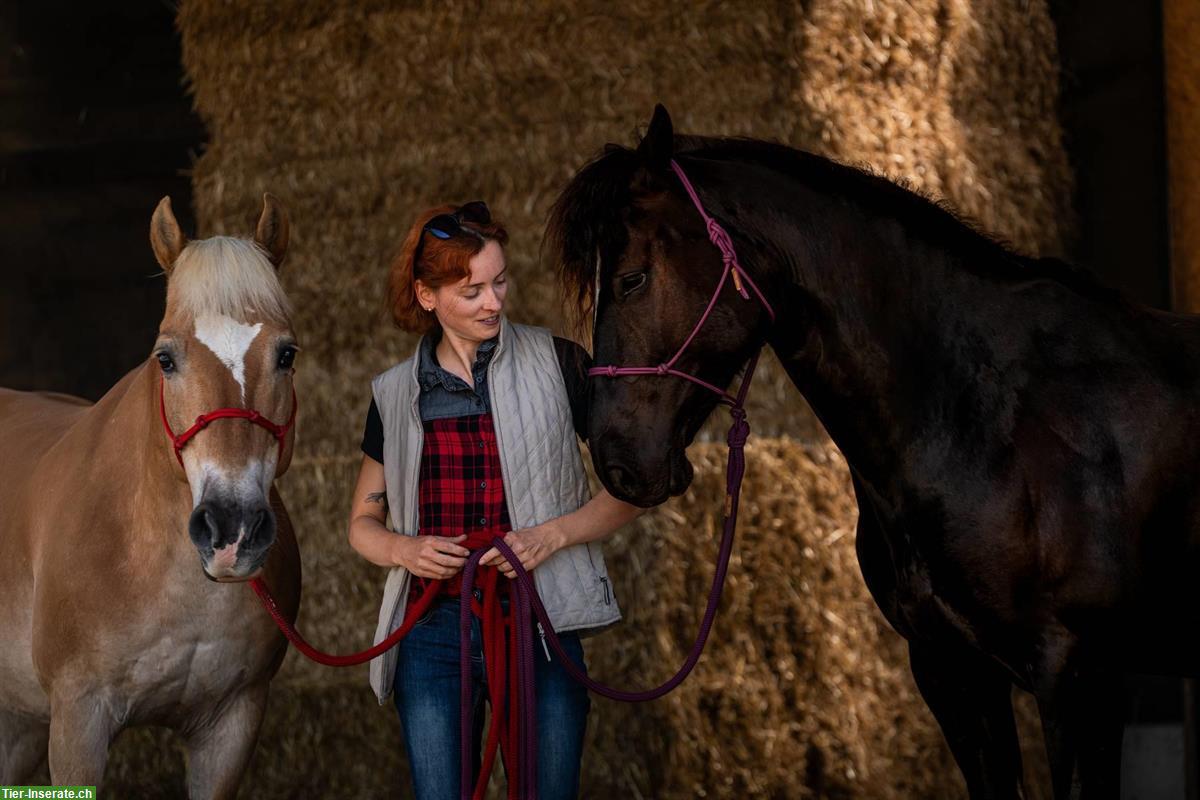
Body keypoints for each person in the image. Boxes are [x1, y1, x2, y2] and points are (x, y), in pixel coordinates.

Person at [347, 201, 643, 799]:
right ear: (427, 296)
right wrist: (404, 548)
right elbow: (362, 523)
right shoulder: (393, 394)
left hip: (541, 621)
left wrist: (550, 536)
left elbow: (635, 488)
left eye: (500, 280)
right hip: (432, 633)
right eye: (472, 289)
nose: (494, 301)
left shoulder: (560, 365)